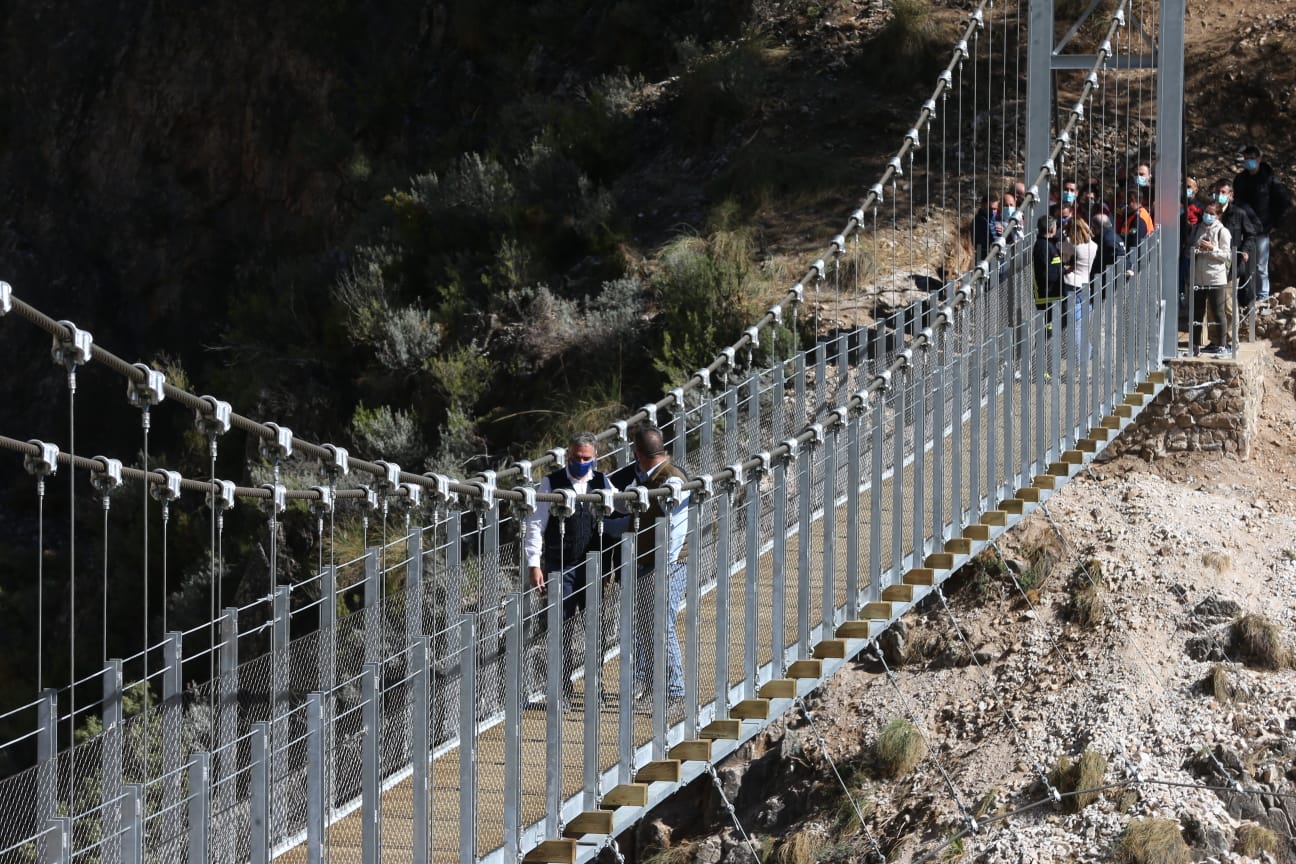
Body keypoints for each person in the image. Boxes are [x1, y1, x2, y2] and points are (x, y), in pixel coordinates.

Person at [523, 431, 615, 702]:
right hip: (558, 565)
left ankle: (594, 687)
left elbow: (612, 527)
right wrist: (533, 564)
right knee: (559, 627)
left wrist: (609, 567)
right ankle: (561, 690)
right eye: (576, 457)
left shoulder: (603, 483)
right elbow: (535, 524)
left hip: (593, 566)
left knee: (594, 627)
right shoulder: (550, 484)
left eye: (586, 458)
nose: (581, 462)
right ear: (567, 455)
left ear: (594, 457)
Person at [604, 424, 689, 710]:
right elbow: (629, 514)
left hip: (665, 564)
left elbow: (675, 513)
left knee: (660, 626)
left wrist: (665, 566)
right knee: (645, 626)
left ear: (637, 454)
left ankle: (675, 692)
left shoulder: (671, 479)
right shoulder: (647, 481)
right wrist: (602, 509)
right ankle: (654, 689)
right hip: (647, 563)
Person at [1232, 144, 1291, 303]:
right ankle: (1246, 298)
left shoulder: (1269, 179)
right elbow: (1237, 202)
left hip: (1262, 230)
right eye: (1246, 158)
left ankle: (1262, 297)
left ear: (1259, 158)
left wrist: (1274, 224)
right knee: (1244, 265)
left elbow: (1284, 201)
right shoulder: (1240, 179)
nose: (1249, 161)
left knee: (1260, 266)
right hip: (1243, 229)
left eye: (1252, 157)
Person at [1187, 200, 1233, 355]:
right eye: (1206, 212)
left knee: (1218, 311)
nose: (1208, 216)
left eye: (1212, 213)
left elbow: (1227, 256)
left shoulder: (1223, 232)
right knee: (1197, 312)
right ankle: (1194, 345)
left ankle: (1222, 344)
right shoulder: (1197, 229)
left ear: (1219, 215)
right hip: (1198, 277)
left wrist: (1212, 249)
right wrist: (1197, 249)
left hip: (1216, 278)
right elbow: (1189, 251)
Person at [1215, 180, 1262, 316]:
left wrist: (1245, 250)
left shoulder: (1238, 214)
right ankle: (1215, 336)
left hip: (1231, 265)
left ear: (1231, 195)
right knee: (1212, 306)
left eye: (1223, 192)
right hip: (1211, 264)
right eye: (1217, 192)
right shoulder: (1209, 212)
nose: (1219, 195)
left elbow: (1250, 235)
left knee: (1229, 305)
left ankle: (1231, 336)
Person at [1033, 215, 1066, 328]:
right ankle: (1045, 344)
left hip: (1052, 294)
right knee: (1048, 326)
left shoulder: (1048, 244)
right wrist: (1062, 271)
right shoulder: (1043, 247)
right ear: (1052, 229)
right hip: (1047, 295)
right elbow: (1044, 271)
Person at [972, 193, 1004, 263]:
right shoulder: (980, 221)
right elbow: (992, 239)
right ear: (982, 206)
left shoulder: (994, 220)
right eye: (990, 209)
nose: (992, 212)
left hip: (995, 258)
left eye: (995, 209)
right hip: (984, 259)